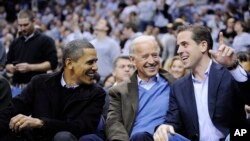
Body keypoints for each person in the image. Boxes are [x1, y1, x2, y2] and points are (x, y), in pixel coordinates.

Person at [154, 25, 250, 141]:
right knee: (164, 135)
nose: (179, 51)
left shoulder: (229, 73)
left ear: (203, 46)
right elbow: (173, 122)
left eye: (185, 44)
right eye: (178, 46)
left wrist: (233, 67)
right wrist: (165, 127)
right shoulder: (178, 87)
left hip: (233, 137)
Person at [0, 39, 106, 141]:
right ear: (69, 63)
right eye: (90, 62)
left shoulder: (96, 93)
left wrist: (41, 123)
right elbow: (11, 110)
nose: (95, 67)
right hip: (35, 138)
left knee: (63, 137)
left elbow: (81, 127)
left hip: (68, 139)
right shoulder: (39, 82)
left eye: (95, 62)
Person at [105, 35, 175, 141]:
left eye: (155, 55)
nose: (151, 61)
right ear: (133, 60)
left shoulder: (173, 84)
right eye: (145, 57)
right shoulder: (119, 91)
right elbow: (114, 123)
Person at [5, 9, 58, 97]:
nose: (22, 28)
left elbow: (53, 63)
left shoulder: (46, 40)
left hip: (37, 88)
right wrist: (10, 68)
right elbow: (7, 63)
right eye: (20, 25)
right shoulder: (15, 42)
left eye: (25, 25)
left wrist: (30, 67)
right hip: (17, 88)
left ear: (33, 21)